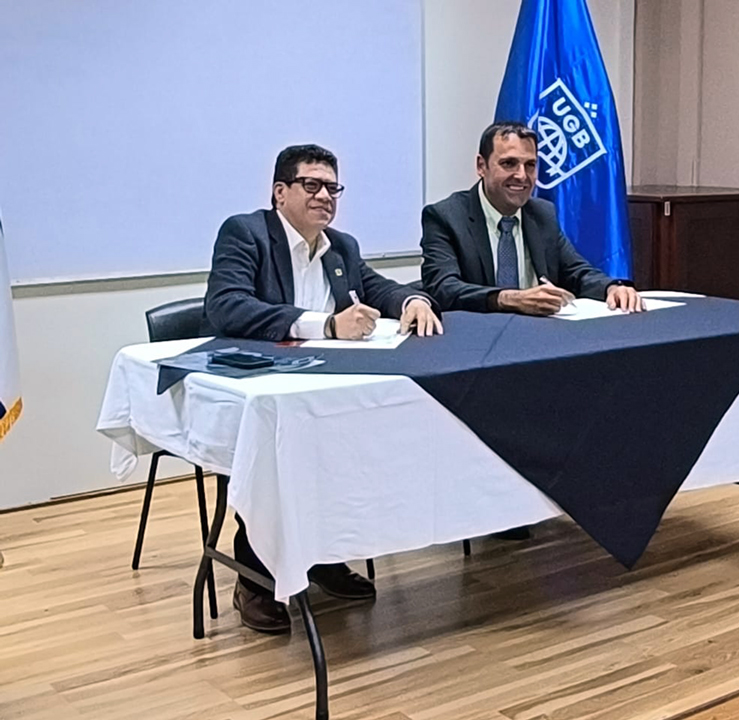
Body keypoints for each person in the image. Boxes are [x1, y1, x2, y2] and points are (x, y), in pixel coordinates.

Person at [204, 144, 442, 634]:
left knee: (356, 444)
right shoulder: (245, 233)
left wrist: (414, 299)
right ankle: (255, 579)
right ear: (280, 192)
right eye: (311, 185)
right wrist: (325, 325)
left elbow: (380, 290)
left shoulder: (342, 246)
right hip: (261, 385)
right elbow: (227, 308)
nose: (324, 196)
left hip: (323, 387)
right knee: (278, 457)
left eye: (332, 187)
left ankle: (324, 557)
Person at [420, 121, 642, 316]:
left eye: (530, 165)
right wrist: (509, 299)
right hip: (475, 340)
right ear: (481, 166)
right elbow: (443, 288)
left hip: (536, 339)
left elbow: (576, 272)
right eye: (508, 164)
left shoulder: (542, 214)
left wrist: (612, 288)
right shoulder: (445, 217)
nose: (521, 176)